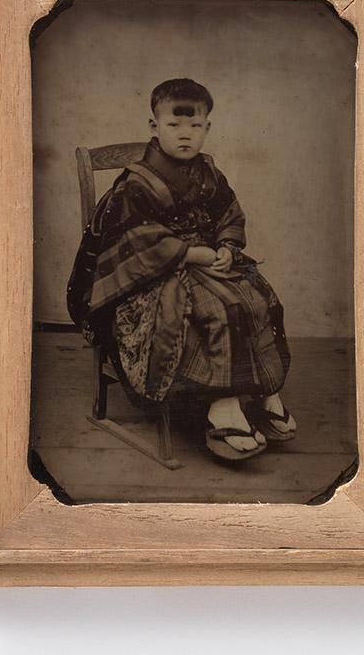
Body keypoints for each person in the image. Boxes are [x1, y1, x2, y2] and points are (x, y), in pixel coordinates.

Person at [67, 78, 297, 461]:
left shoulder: (208, 171)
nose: (185, 135)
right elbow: (135, 241)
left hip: (205, 258)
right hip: (154, 273)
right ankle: (221, 406)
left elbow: (228, 213)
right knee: (214, 308)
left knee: (260, 297)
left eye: (194, 126)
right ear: (155, 128)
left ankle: (263, 391)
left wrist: (225, 246)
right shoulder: (137, 183)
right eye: (174, 126)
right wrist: (193, 255)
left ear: (207, 128)